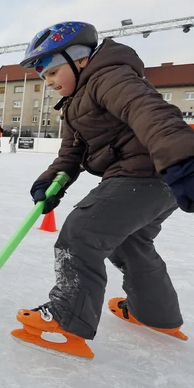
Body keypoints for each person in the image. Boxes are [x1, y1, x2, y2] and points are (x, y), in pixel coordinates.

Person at [12, 21, 194, 358]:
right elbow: (71, 155)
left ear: (79, 59)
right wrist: (51, 182)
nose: (48, 83)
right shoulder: (74, 104)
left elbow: (148, 111)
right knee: (130, 243)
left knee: (81, 234)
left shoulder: (110, 77)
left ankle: (67, 318)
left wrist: (182, 158)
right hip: (153, 180)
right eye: (44, 77)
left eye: (52, 73)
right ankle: (156, 314)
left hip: (148, 173)